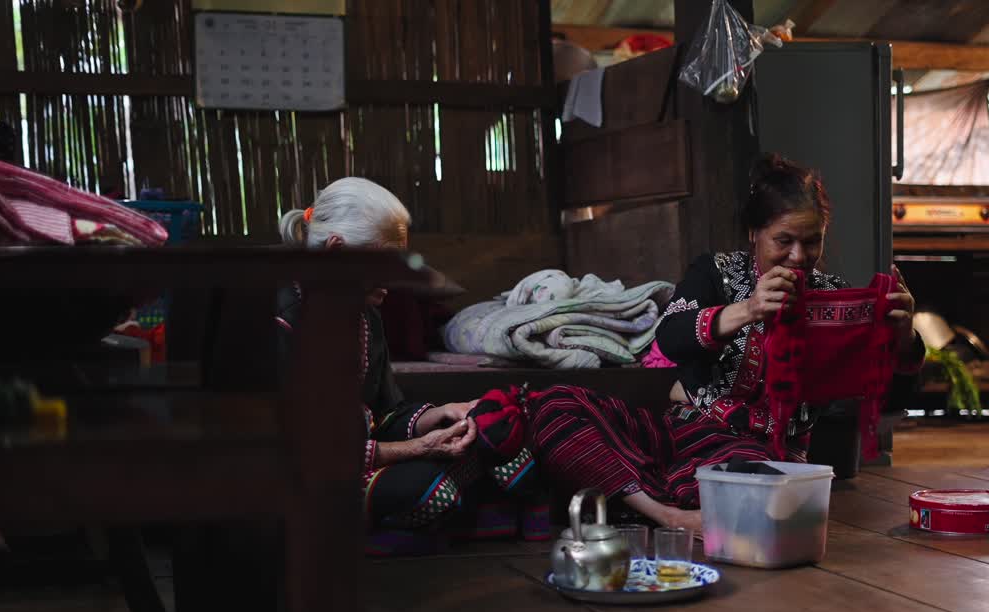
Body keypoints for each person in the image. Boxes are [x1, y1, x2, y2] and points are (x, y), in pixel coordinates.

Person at [527, 153, 925, 531]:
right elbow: (671, 336)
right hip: (679, 434)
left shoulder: (831, 299)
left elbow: (884, 395)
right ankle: (670, 515)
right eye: (783, 240)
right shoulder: (716, 273)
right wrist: (749, 309)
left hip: (759, 455)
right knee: (553, 407)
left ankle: (636, 496)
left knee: (751, 480)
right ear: (754, 232)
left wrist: (902, 337)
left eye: (812, 241)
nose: (799, 256)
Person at [276, 177, 541, 548]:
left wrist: (443, 414)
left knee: (493, 435)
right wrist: (421, 448)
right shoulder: (282, 320)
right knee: (430, 490)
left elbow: (385, 412)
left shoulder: (365, 316)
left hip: (360, 457)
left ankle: (405, 528)